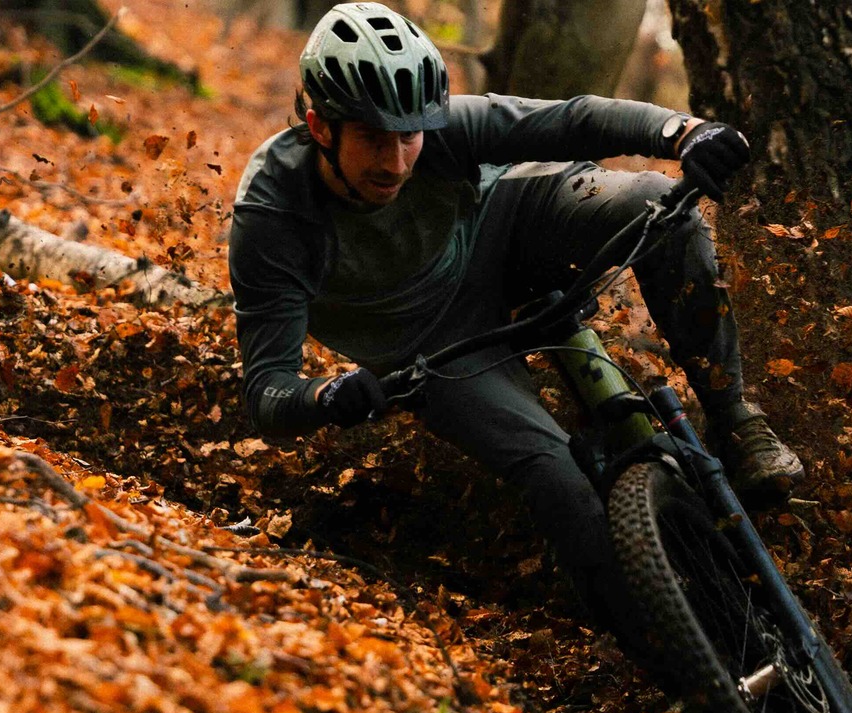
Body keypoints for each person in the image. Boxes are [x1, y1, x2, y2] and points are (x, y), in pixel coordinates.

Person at [228, 2, 803, 620]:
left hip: (507, 229)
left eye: (409, 137)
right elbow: (268, 393)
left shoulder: (443, 127)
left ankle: (735, 418)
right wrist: (326, 397)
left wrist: (683, 133)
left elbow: (572, 121)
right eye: (373, 139)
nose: (396, 163)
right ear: (320, 126)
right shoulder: (273, 216)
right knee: (563, 485)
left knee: (661, 208)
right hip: (441, 349)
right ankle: (679, 654)